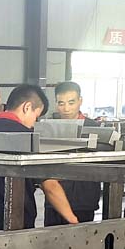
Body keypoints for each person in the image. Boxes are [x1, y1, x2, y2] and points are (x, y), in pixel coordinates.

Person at [0, 84, 78, 231]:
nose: (33, 124)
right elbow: (50, 186)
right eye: (36, 117)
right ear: (27, 107)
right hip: (18, 226)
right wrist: (72, 219)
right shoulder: (28, 139)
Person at [47, 81, 102, 226]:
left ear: (80, 101)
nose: (66, 109)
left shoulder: (95, 129)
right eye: (61, 103)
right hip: (55, 199)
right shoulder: (49, 128)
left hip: (84, 198)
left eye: (71, 103)